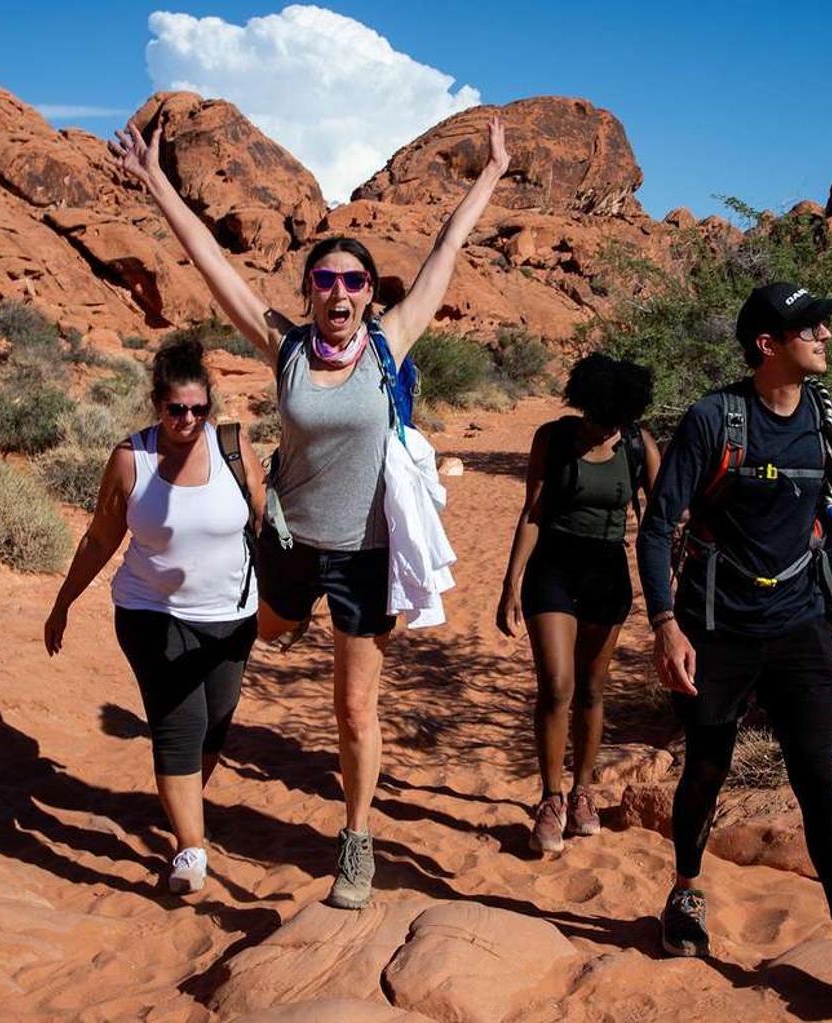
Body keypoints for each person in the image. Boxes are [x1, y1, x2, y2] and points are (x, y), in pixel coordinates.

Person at [110, 113, 509, 909]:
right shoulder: (284, 347)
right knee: (237, 643)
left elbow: (444, 254)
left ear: (369, 294)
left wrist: (490, 175)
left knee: (354, 707)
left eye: (352, 281)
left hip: (364, 555)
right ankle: (196, 759)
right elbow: (209, 258)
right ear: (308, 293)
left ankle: (355, 840)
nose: (337, 291)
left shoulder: (391, 342)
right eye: (324, 280)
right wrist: (155, 180)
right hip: (289, 544)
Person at [635, 283, 832, 1004]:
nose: (823, 332)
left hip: (799, 627)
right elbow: (658, 526)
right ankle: (687, 891)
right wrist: (666, 625)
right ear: (768, 344)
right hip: (716, 628)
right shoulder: (713, 420)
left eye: (822, 322)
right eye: (807, 325)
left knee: (817, 778)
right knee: (705, 767)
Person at [43, 338, 265, 895]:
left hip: (232, 618)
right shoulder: (131, 459)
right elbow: (99, 539)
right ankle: (191, 849)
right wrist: (63, 601)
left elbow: (266, 523)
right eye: (176, 410)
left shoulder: (235, 449)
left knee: (215, 723)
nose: (188, 420)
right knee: (179, 727)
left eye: (198, 409)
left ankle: (179, 801)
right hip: (152, 613)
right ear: (156, 404)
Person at [497, 354, 658, 855]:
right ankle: (551, 797)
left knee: (591, 689)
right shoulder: (554, 438)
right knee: (557, 686)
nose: (604, 427)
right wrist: (510, 583)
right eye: (598, 415)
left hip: (607, 576)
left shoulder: (637, 444)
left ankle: (583, 790)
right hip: (552, 571)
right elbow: (533, 511)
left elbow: (664, 516)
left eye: (613, 419)